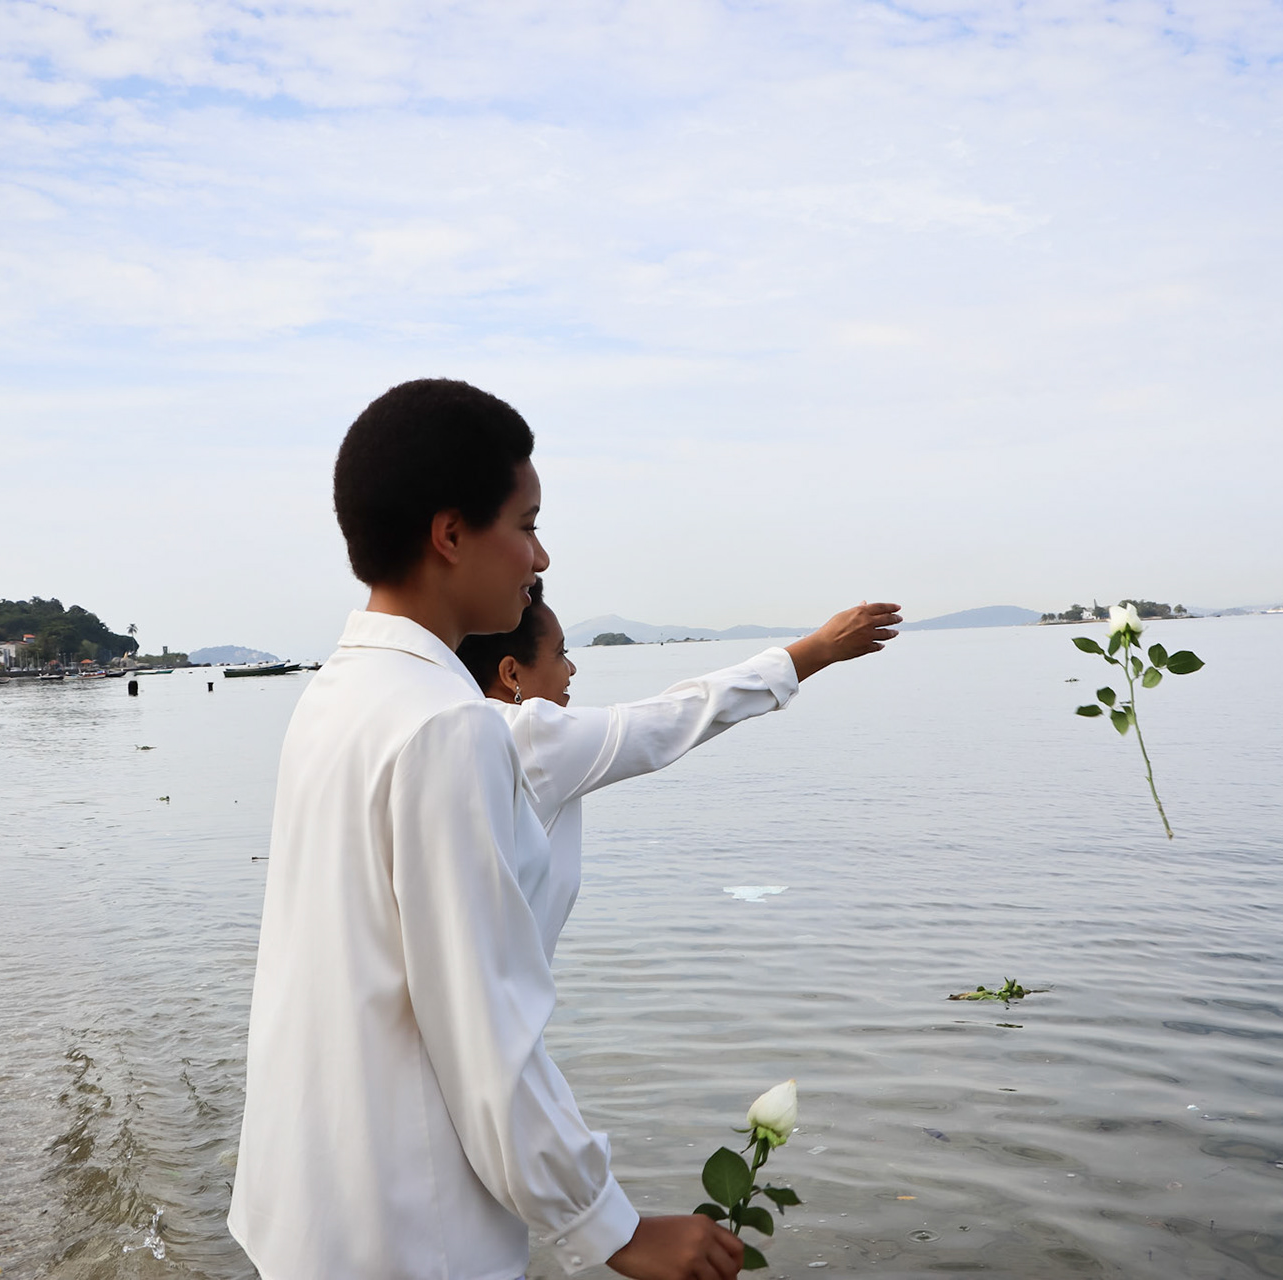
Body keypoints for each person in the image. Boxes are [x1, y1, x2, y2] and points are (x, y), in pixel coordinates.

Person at [229, 379, 742, 1280]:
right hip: (408, 1229)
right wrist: (610, 1226)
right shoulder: (447, 725)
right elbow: (481, 1021)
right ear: (451, 534)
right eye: (526, 523)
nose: (538, 557)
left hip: (310, 1203)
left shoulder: (337, 694)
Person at [456, 586, 901, 956]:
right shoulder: (530, 737)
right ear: (511, 673)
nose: (571, 669)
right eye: (560, 653)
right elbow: (679, 714)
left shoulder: (460, 733)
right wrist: (819, 649)